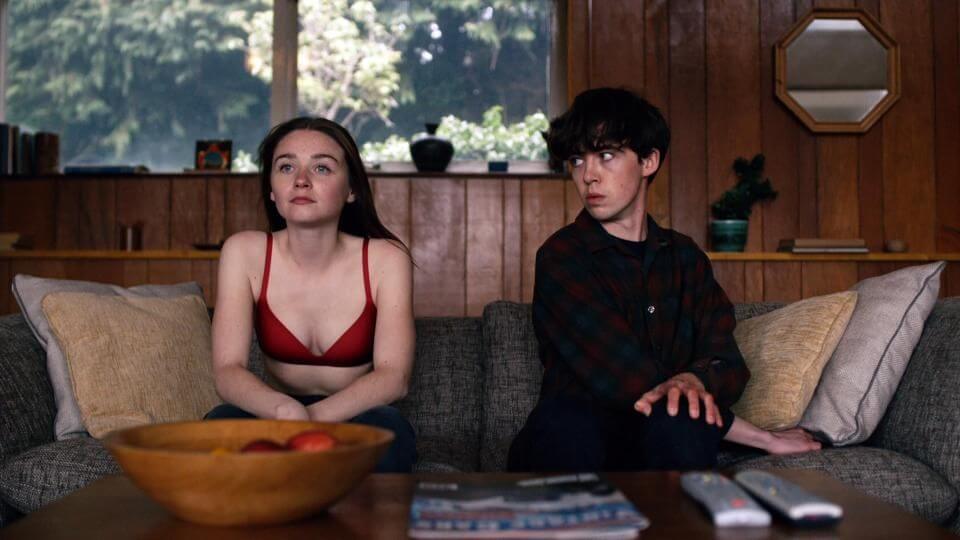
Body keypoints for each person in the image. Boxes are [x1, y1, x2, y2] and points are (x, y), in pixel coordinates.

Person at [507, 88, 820, 473]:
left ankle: (683, 506)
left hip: (666, 436)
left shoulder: (686, 258)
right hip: (575, 439)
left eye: (606, 155)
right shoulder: (562, 256)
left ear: (648, 161)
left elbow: (727, 362)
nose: (588, 175)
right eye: (576, 160)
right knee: (572, 424)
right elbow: (625, 375)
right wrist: (762, 438)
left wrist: (694, 379)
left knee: (678, 421)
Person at [206, 116, 417, 473]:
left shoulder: (386, 258)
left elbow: (394, 377)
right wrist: (284, 411)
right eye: (286, 167)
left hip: (355, 415)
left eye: (321, 168)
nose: (301, 180)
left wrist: (310, 420)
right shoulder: (243, 251)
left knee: (389, 428)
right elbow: (227, 370)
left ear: (351, 189)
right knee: (220, 421)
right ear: (271, 189)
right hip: (275, 411)